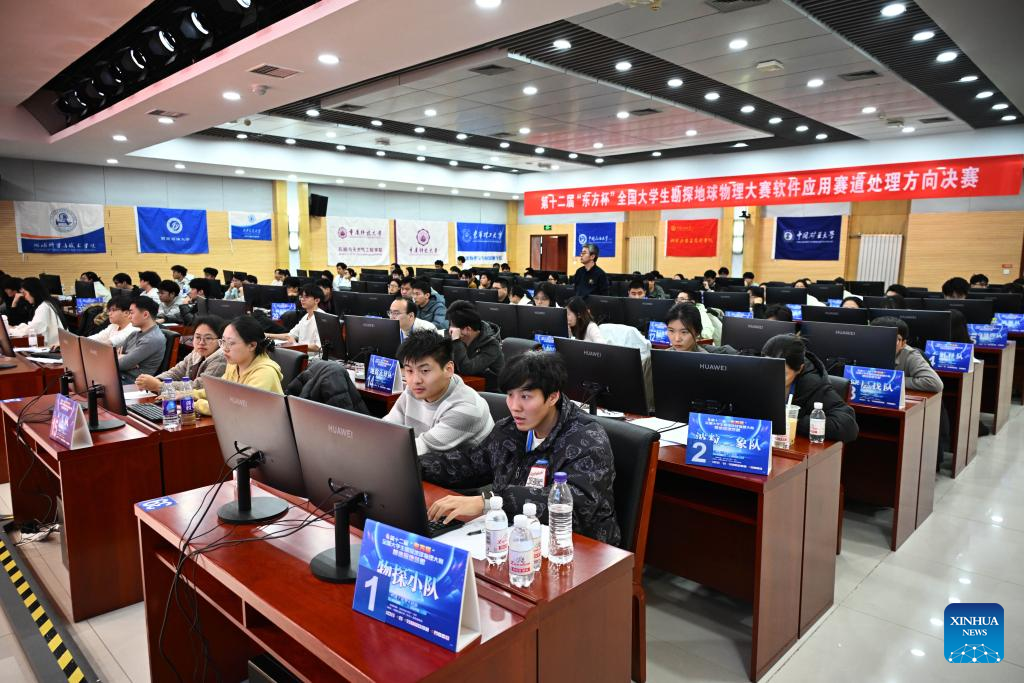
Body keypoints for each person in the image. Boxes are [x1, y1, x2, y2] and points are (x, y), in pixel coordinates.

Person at [423, 351, 620, 545]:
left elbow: (574, 505)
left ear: (552, 397)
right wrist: (412, 464)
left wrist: (489, 502)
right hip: (516, 536)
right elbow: (469, 463)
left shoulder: (586, 439)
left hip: (578, 549)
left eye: (525, 397)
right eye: (510, 395)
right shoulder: (509, 430)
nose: (514, 406)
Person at [383, 330, 494, 455]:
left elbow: (418, 449)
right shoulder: (414, 389)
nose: (415, 380)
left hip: (462, 471)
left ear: (448, 369)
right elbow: (387, 428)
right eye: (409, 371)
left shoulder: (466, 408)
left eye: (424, 370)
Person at [761, 334, 859, 442]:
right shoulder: (757, 375)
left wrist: (793, 422)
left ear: (799, 369)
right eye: (768, 369)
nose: (773, 378)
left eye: (782, 374)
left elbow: (848, 427)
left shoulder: (814, 386)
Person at [193, 316, 283, 415]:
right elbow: (219, 390)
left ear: (252, 345)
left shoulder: (265, 373)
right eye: (223, 342)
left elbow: (237, 408)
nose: (224, 349)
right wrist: (188, 395)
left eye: (231, 343)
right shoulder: (234, 364)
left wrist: (196, 404)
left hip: (265, 427)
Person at [136, 315, 228, 392]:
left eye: (208, 338)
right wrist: (155, 380)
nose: (201, 342)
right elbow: (176, 372)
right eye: (197, 337)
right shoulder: (196, 353)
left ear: (221, 341)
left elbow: (199, 387)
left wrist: (159, 385)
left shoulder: (221, 358)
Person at [870, 317, 943, 392]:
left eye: (894, 339)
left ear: (903, 343)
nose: (884, 343)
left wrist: (891, 379)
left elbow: (935, 383)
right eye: (879, 337)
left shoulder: (910, 355)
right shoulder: (863, 348)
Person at [447, 301, 505, 388]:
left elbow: (467, 369)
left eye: (453, 327)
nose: (450, 330)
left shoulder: (492, 345)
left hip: (490, 390)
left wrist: (456, 341)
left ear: (467, 329)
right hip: (465, 385)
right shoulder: (459, 339)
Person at [117, 297, 166, 383]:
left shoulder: (153, 338)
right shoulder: (134, 334)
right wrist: (125, 359)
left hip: (133, 382)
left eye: (132, 313)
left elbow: (119, 364)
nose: (129, 317)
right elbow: (117, 357)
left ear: (145, 315)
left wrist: (123, 359)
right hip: (121, 376)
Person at [8, 277, 66, 346]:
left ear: (33, 292)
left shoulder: (44, 307)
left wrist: (12, 330)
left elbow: (33, 330)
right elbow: (34, 326)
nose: (25, 297)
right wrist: (16, 328)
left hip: (52, 348)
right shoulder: (48, 303)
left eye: (25, 293)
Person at [267, 284, 322, 351]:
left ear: (317, 300)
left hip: (314, 359)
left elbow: (317, 347)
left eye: (306, 297)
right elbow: (290, 335)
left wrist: (296, 345)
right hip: (301, 353)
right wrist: (267, 335)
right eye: (301, 297)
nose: (302, 299)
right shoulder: (306, 316)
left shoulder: (321, 318)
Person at [664, 303, 734, 353]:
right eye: (671, 331)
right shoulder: (661, 358)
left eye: (684, 332)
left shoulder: (707, 362)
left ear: (697, 332)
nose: (677, 339)